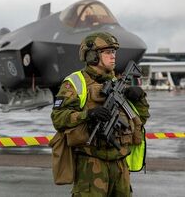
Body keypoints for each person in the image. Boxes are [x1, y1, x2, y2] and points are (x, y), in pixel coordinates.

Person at [51, 31, 150, 197]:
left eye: (114, 52)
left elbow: (140, 120)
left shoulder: (117, 83)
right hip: (91, 164)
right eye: (108, 52)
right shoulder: (76, 82)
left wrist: (139, 98)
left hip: (120, 165)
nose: (113, 57)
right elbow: (58, 118)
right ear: (92, 56)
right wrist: (88, 115)